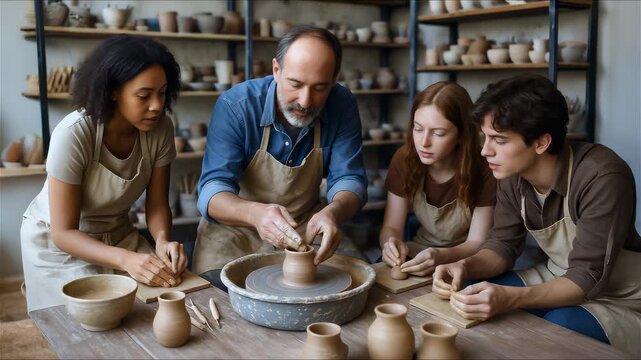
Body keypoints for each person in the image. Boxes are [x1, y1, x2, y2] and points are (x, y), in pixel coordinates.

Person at [432, 74, 641, 355]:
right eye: (485, 137)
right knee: (470, 290)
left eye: (499, 140)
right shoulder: (509, 173)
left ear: (541, 142)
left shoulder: (602, 176)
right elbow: (502, 246)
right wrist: (465, 265)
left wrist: (510, 299)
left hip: (620, 295)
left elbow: (585, 278)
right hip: (557, 274)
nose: (485, 151)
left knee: (560, 325)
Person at [20, 35, 188, 311]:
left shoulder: (161, 129)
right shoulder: (74, 133)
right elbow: (64, 233)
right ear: (113, 91)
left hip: (117, 234)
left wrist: (162, 240)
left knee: (167, 297)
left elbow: (157, 204)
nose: (157, 105)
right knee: (95, 315)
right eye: (144, 96)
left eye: (162, 93)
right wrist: (126, 260)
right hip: (58, 243)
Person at [194, 26, 367, 289]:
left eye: (320, 87)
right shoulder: (236, 106)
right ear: (277, 70)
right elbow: (211, 192)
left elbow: (350, 178)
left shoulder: (342, 104)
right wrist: (254, 214)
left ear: (333, 79)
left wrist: (334, 212)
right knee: (217, 299)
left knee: (358, 283)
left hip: (306, 224)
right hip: (236, 229)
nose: (306, 101)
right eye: (295, 84)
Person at [379, 82, 496, 276]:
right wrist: (390, 244)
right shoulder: (405, 159)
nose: (423, 142)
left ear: (461, 135)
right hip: (421, 248)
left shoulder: (485, 167)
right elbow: (391, 227)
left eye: (438, 133)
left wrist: (441, 256)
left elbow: (477, 242)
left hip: (467, 257)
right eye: (418, 129)